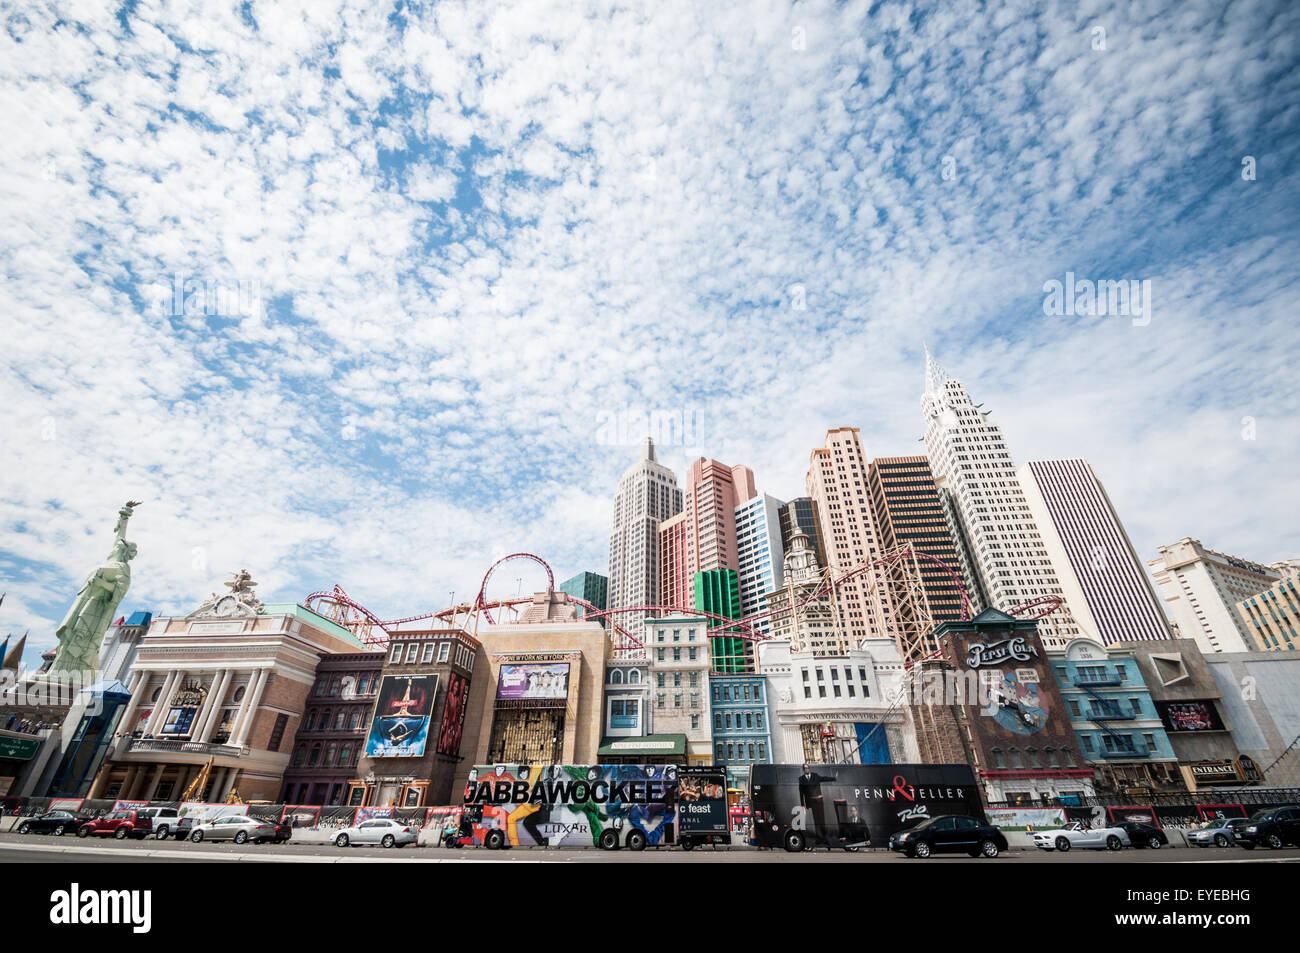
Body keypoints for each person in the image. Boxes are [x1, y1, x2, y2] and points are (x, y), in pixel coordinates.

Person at [797, 764, 837, 843]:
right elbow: (801, 792)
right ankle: (819, 838)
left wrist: (834, 778)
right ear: (803, 770)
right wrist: (802, 804)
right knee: (816, 820)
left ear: (809, 769)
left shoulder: (815, 776)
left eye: (807, 768)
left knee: (822, 819)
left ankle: (824, 838)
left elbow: (824, 778)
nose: (806, 769)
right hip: (811, 801)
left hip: (819, 800)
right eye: (805, 768)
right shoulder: (801, 779)